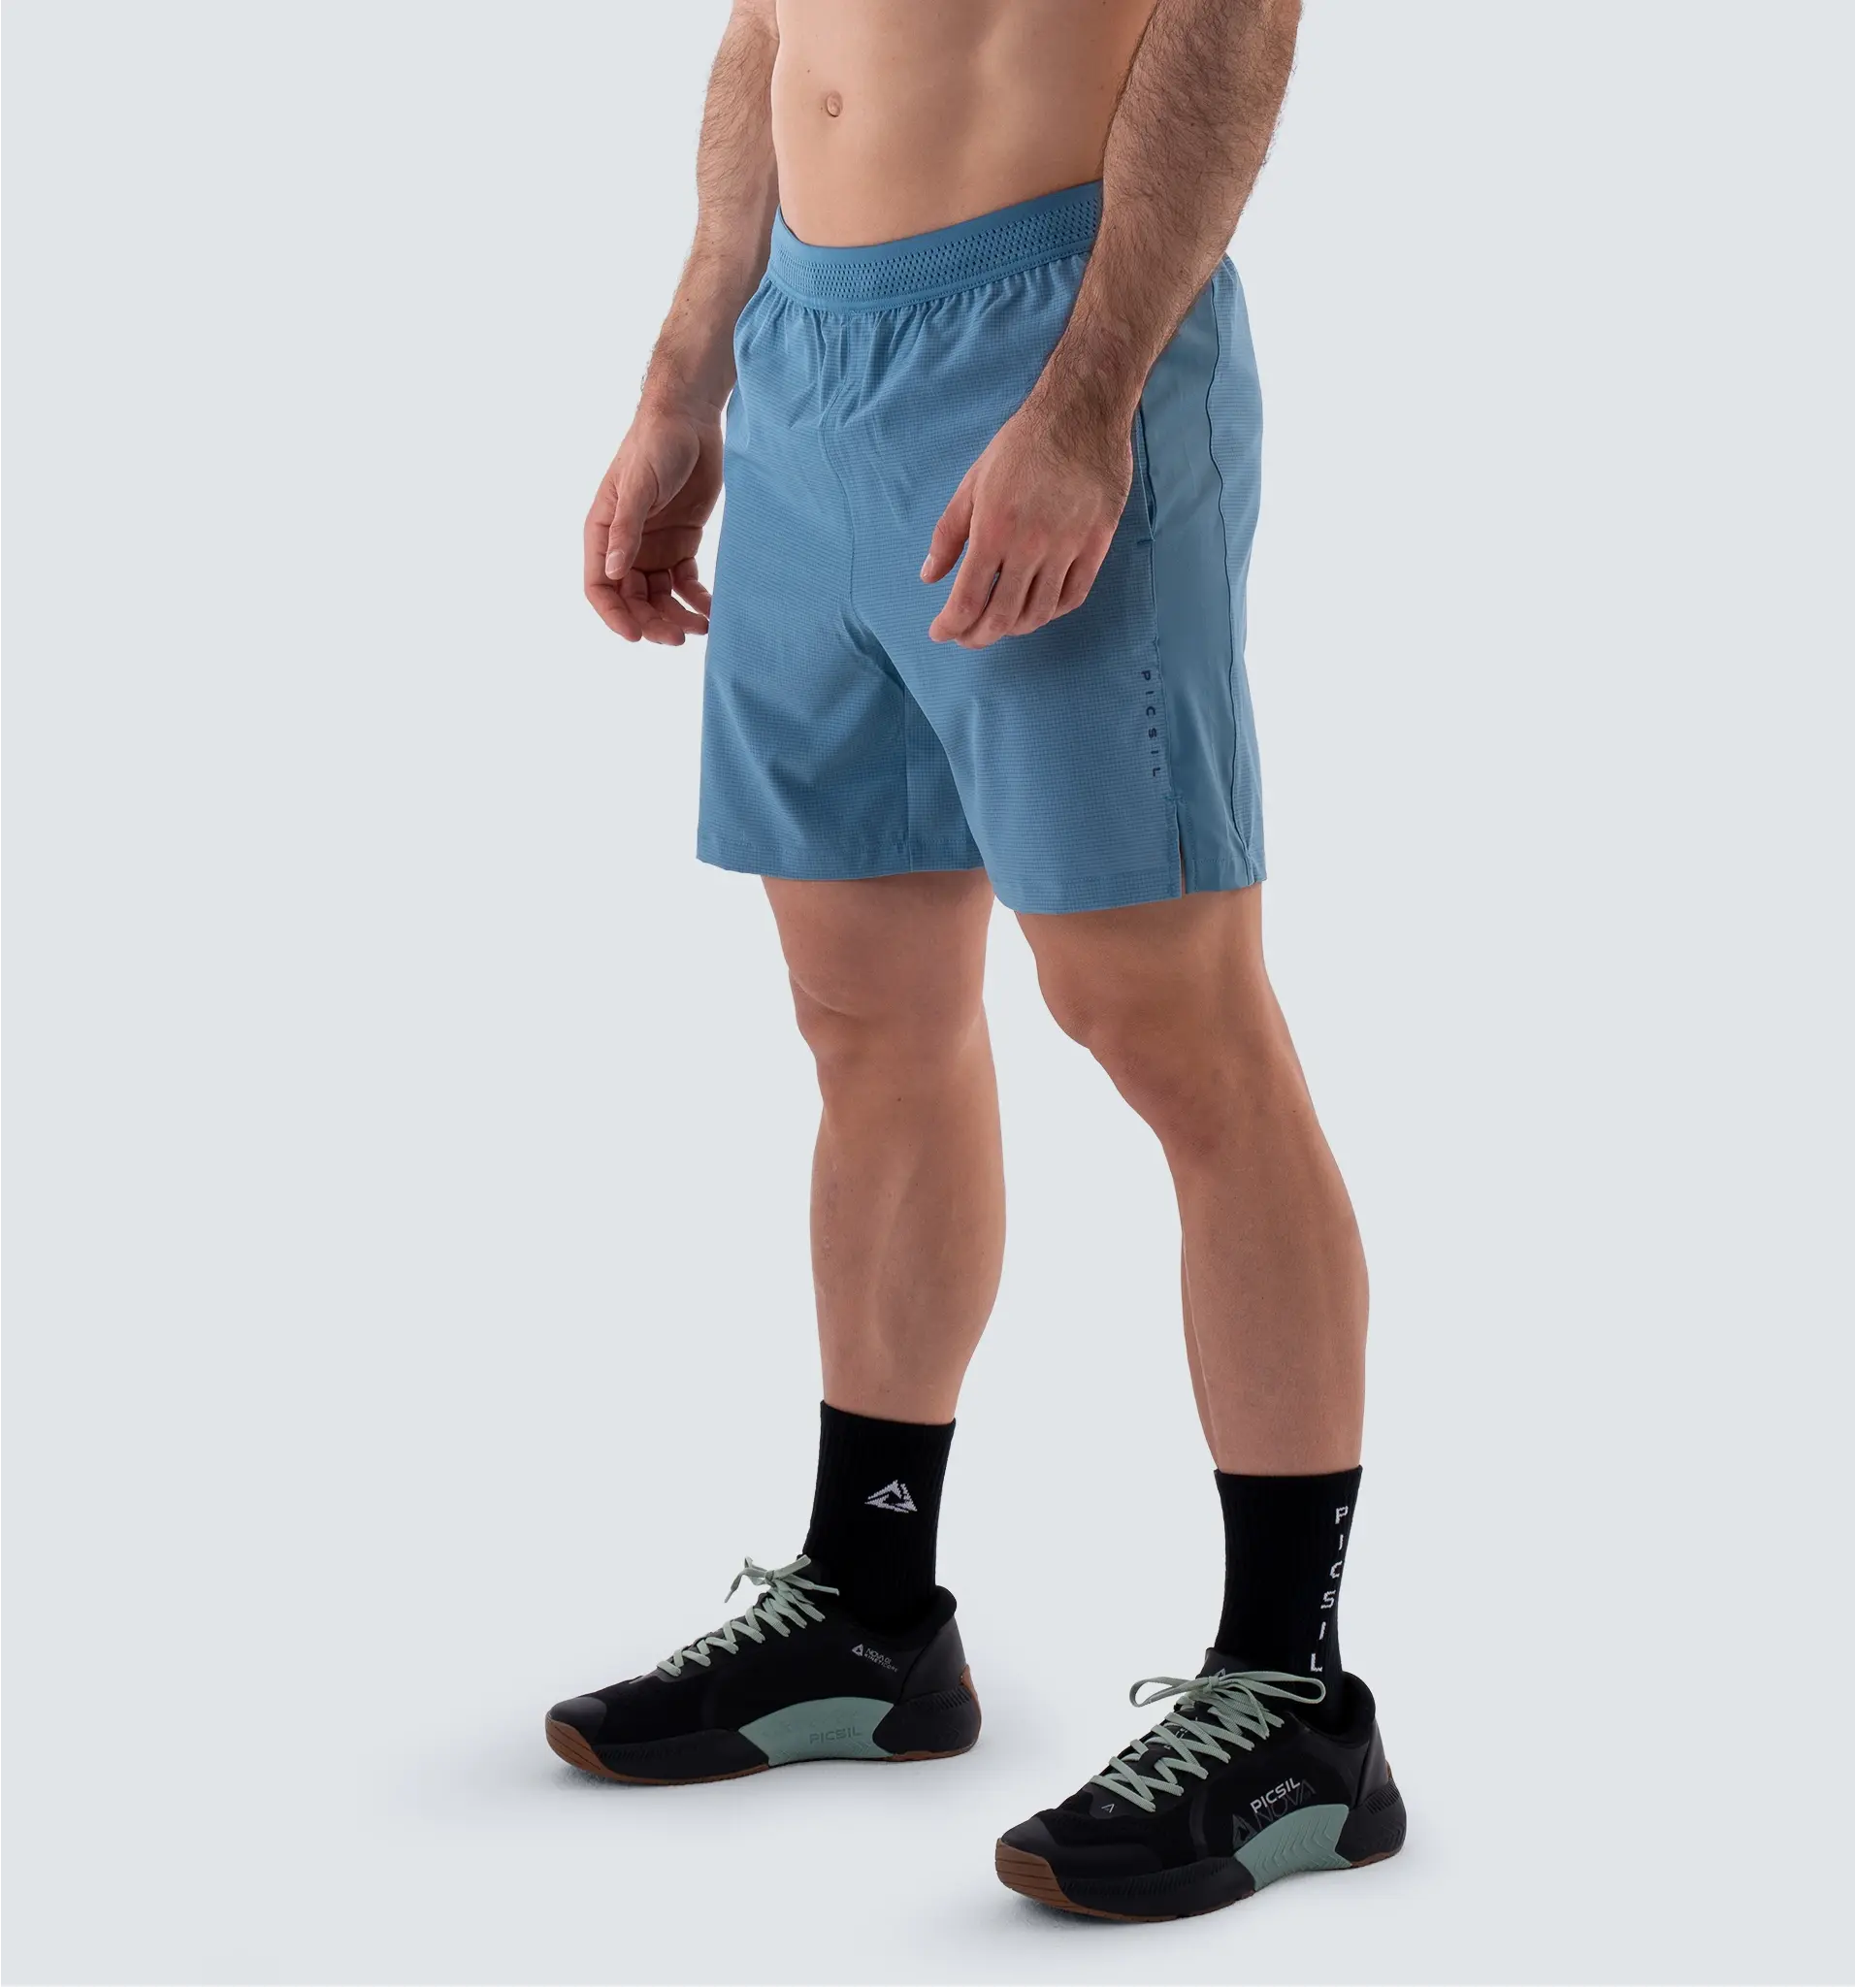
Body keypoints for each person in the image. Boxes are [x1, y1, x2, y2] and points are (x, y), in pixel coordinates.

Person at [547, 0, 1405, 1919]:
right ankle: (868, 1612)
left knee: (1167, 1026)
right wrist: (691, 369)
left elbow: (1233, 20)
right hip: (805, 356)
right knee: (863, 1017)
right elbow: (770, 28)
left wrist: (1089, 404)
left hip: (1052, 343)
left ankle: (1295, 1701)